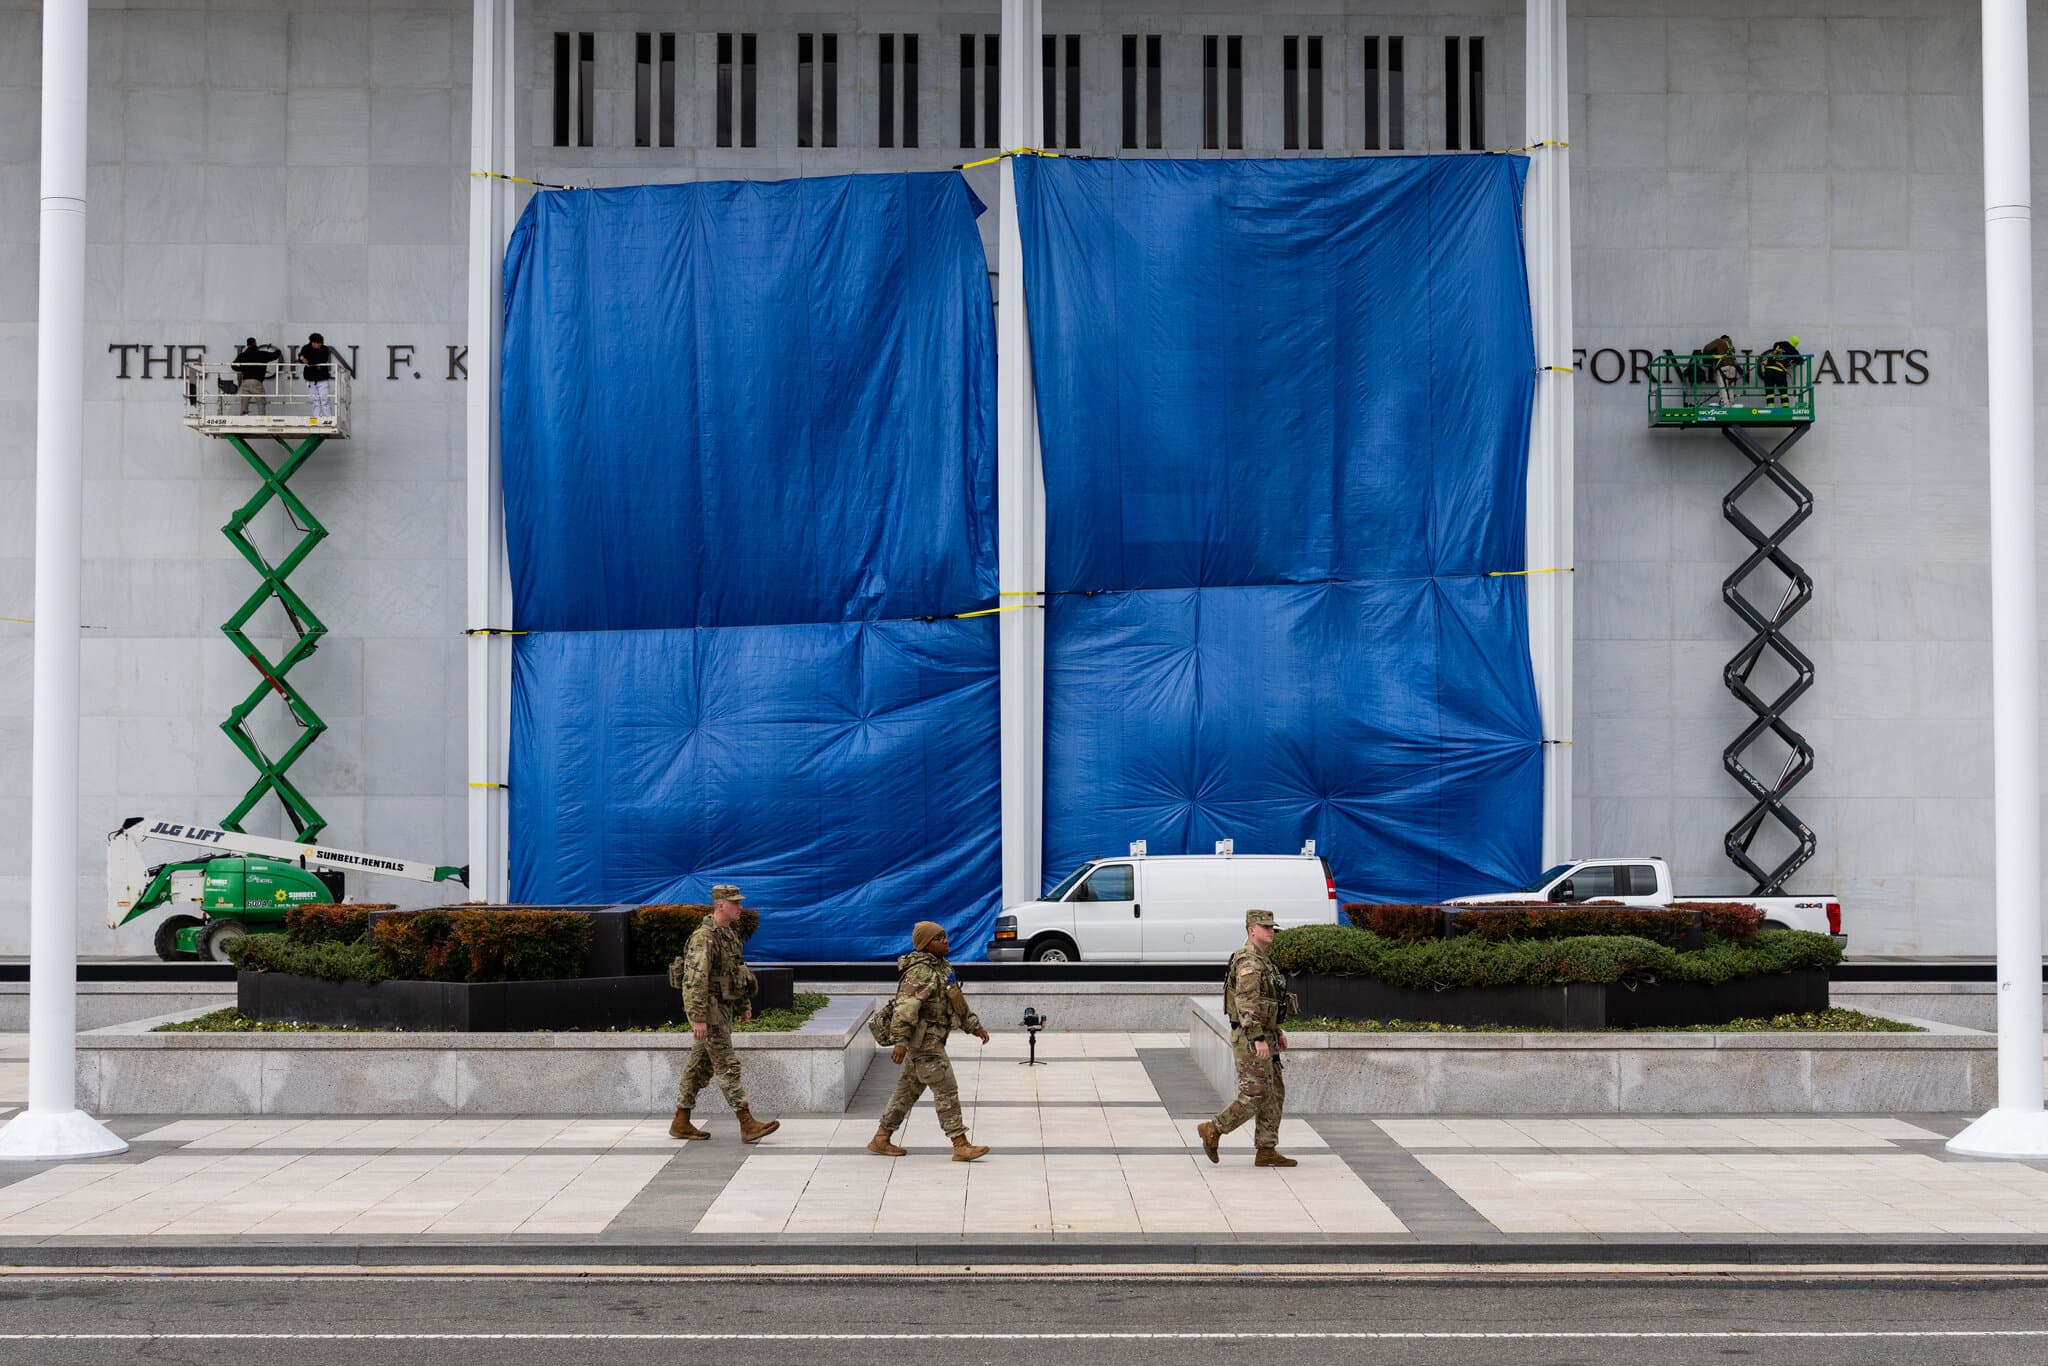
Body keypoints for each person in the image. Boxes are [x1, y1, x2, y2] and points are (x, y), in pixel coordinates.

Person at [868, 920, 991, 1162]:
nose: (945, 941)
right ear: (926, 944)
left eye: (945, 936)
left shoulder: (942, 968)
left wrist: (974, 1026)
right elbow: (905, 1008)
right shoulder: (920, 972)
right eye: (938, 938)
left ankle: (881, 1138)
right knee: (946, 1088)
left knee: (907, 1091)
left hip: (932, 1039)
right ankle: (960, 1144)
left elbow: (956, 1002)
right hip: (924, 1043)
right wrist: (901, 1042)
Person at [668, 884, 781, 1143]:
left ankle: (681, 1120)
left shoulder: (728, 934)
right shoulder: (704, 937)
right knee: (726, 1065)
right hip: (709, 1011)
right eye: (735, 903)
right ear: (720, 905)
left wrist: (743, 1005)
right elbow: (695, 979)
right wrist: (698, 1016)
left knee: (700, 1065)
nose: (740, 907)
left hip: (723, 1008)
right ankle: (746, 1122)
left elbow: (737, 972)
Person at [1197, 908, 1298, 1168]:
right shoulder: (1249, 963)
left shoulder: (1265, 961)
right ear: (1251, 930)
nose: (1270, 932)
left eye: (1272, 927)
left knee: (1274, 1093)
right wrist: (1258, 1038)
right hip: (1250, 1037)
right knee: (1255, 1093)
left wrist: (1276, 1033)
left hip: (1266, 1035)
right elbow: (1246, 1004)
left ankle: (1266, 1149)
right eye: (1265, 927)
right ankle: (1214, 1128)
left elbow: (1270, 1003)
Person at [231, 336, 282, 416]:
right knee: (261, 403)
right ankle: (261, 421)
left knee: (244, 404)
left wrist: (243, 368)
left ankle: (243, 421)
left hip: (246, 382)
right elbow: (275, 355)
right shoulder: (261, 354)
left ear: (247, 345)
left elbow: (233, 366)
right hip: (257, 382)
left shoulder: (242, 355)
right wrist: (278, 350)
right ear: (255, 343)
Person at [299, 332, 335, 419]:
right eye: (318, 343)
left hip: (322, 378)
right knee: (315, 400)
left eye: (320, 343)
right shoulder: (305, 348)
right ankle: (317, 420)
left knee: (325, 400)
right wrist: (303, 359)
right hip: (310, 378)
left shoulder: (324, 349)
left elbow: (323, 360)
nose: (320, 345)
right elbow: (300, 357)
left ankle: (328, 419)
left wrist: (308, 361)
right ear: (313, 343)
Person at [1758, 335, 1801, 406]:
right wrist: (1793, 362)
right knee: (1783, 391)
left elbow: (1775, 345)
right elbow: (1799, 360)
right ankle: (1785, 407)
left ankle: (1770, 406)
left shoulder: (1779, 344)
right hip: (1779, 372)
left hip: (1769, 369)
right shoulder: (1793, 350)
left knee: (1769, 390)